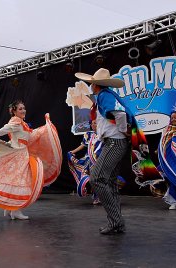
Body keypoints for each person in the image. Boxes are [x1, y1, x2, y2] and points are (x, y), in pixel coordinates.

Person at [0, 100, 62, 220]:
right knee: (21, 182)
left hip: (21, 153)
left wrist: (46, 128)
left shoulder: (21, 123)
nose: (23, 110)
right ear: (14, 111)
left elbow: (22, 138)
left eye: (24, 108)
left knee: (15, 182)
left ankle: (10, 208)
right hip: (18, 155)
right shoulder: (16, 121)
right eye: (20, 109)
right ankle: (15, 210)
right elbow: (4, 130)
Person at [75, 68, 131, 235]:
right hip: (115, 141)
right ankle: (116, 223)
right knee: (111, 183)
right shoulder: (106, 95)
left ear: (95, 85)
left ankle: (116, 221)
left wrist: (124, 130)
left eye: (91, 83)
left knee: (97, 178)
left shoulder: (104, 95)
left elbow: (120, 114)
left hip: (114, 142)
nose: (90, 86)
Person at [68, 119, 126, 205]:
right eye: (92, 123)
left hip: (102, 160)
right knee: (94, 179)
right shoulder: (88, 135)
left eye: (95, 123)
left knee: (104, 178)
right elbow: (83, 145)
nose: (93, 125)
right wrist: (73, 151)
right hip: (90, 161)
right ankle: (96, 197)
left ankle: (109, 196)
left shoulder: (105, 134)